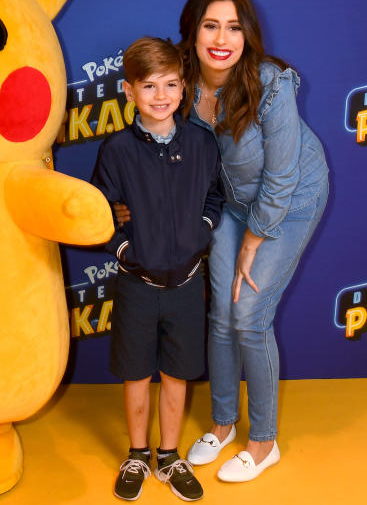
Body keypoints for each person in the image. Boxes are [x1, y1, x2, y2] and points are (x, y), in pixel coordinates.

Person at [181, 0, 328, 482]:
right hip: (231, 204)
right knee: (220, 312)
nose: (222, 38)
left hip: (288, 202)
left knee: (248, 315)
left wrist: (254, 237)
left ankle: (264, 442)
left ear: (248, 35)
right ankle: (223, 425)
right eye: (210, 25)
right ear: (193, 31)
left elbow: (282, 175)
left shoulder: (270, 84)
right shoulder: (179, 79)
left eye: (234, 27)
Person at [91, 37, 223, 501]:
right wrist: (125, 249)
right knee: (135, 374)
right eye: (149, 86)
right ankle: (138, 453)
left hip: (187, 283)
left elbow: (214, 195)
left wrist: (202, 229)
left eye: (170, 84)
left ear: (184, 87)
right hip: (137, 286)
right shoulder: (118, 150)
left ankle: (169, 456)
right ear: (129, 92)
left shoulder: (202, 144)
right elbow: (99, 211)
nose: (161, 95)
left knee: (176, 375)